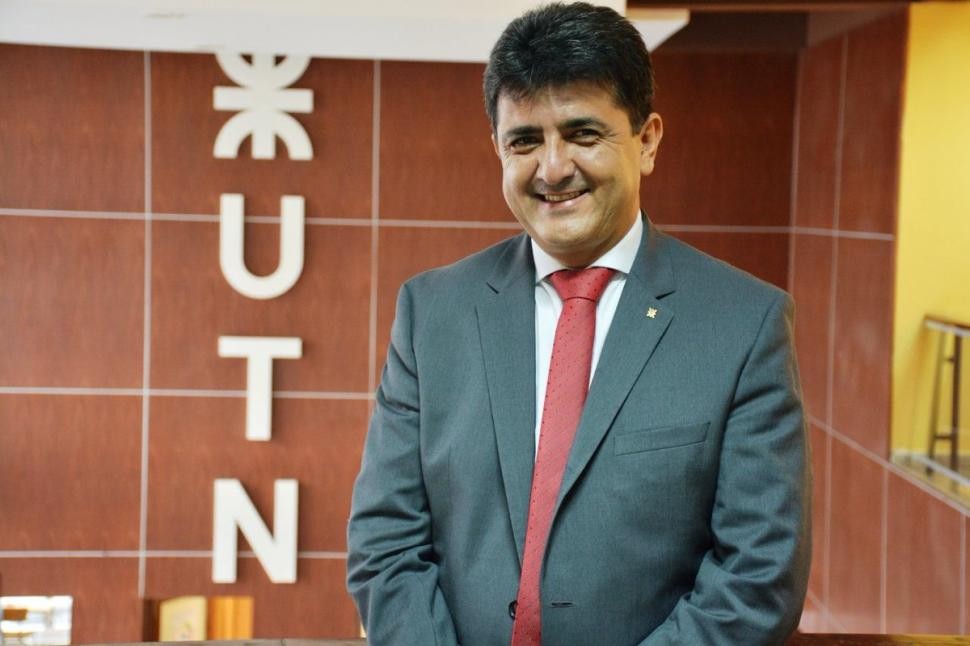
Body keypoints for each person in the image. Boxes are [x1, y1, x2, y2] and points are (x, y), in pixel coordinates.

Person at [346, 3, 811, 644]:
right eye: (524, 141)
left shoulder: (743, 324)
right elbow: (386, 542)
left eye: (583, 133)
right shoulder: (432, 313)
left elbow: (757, 577)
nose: (553, 168)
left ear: (647, 140)